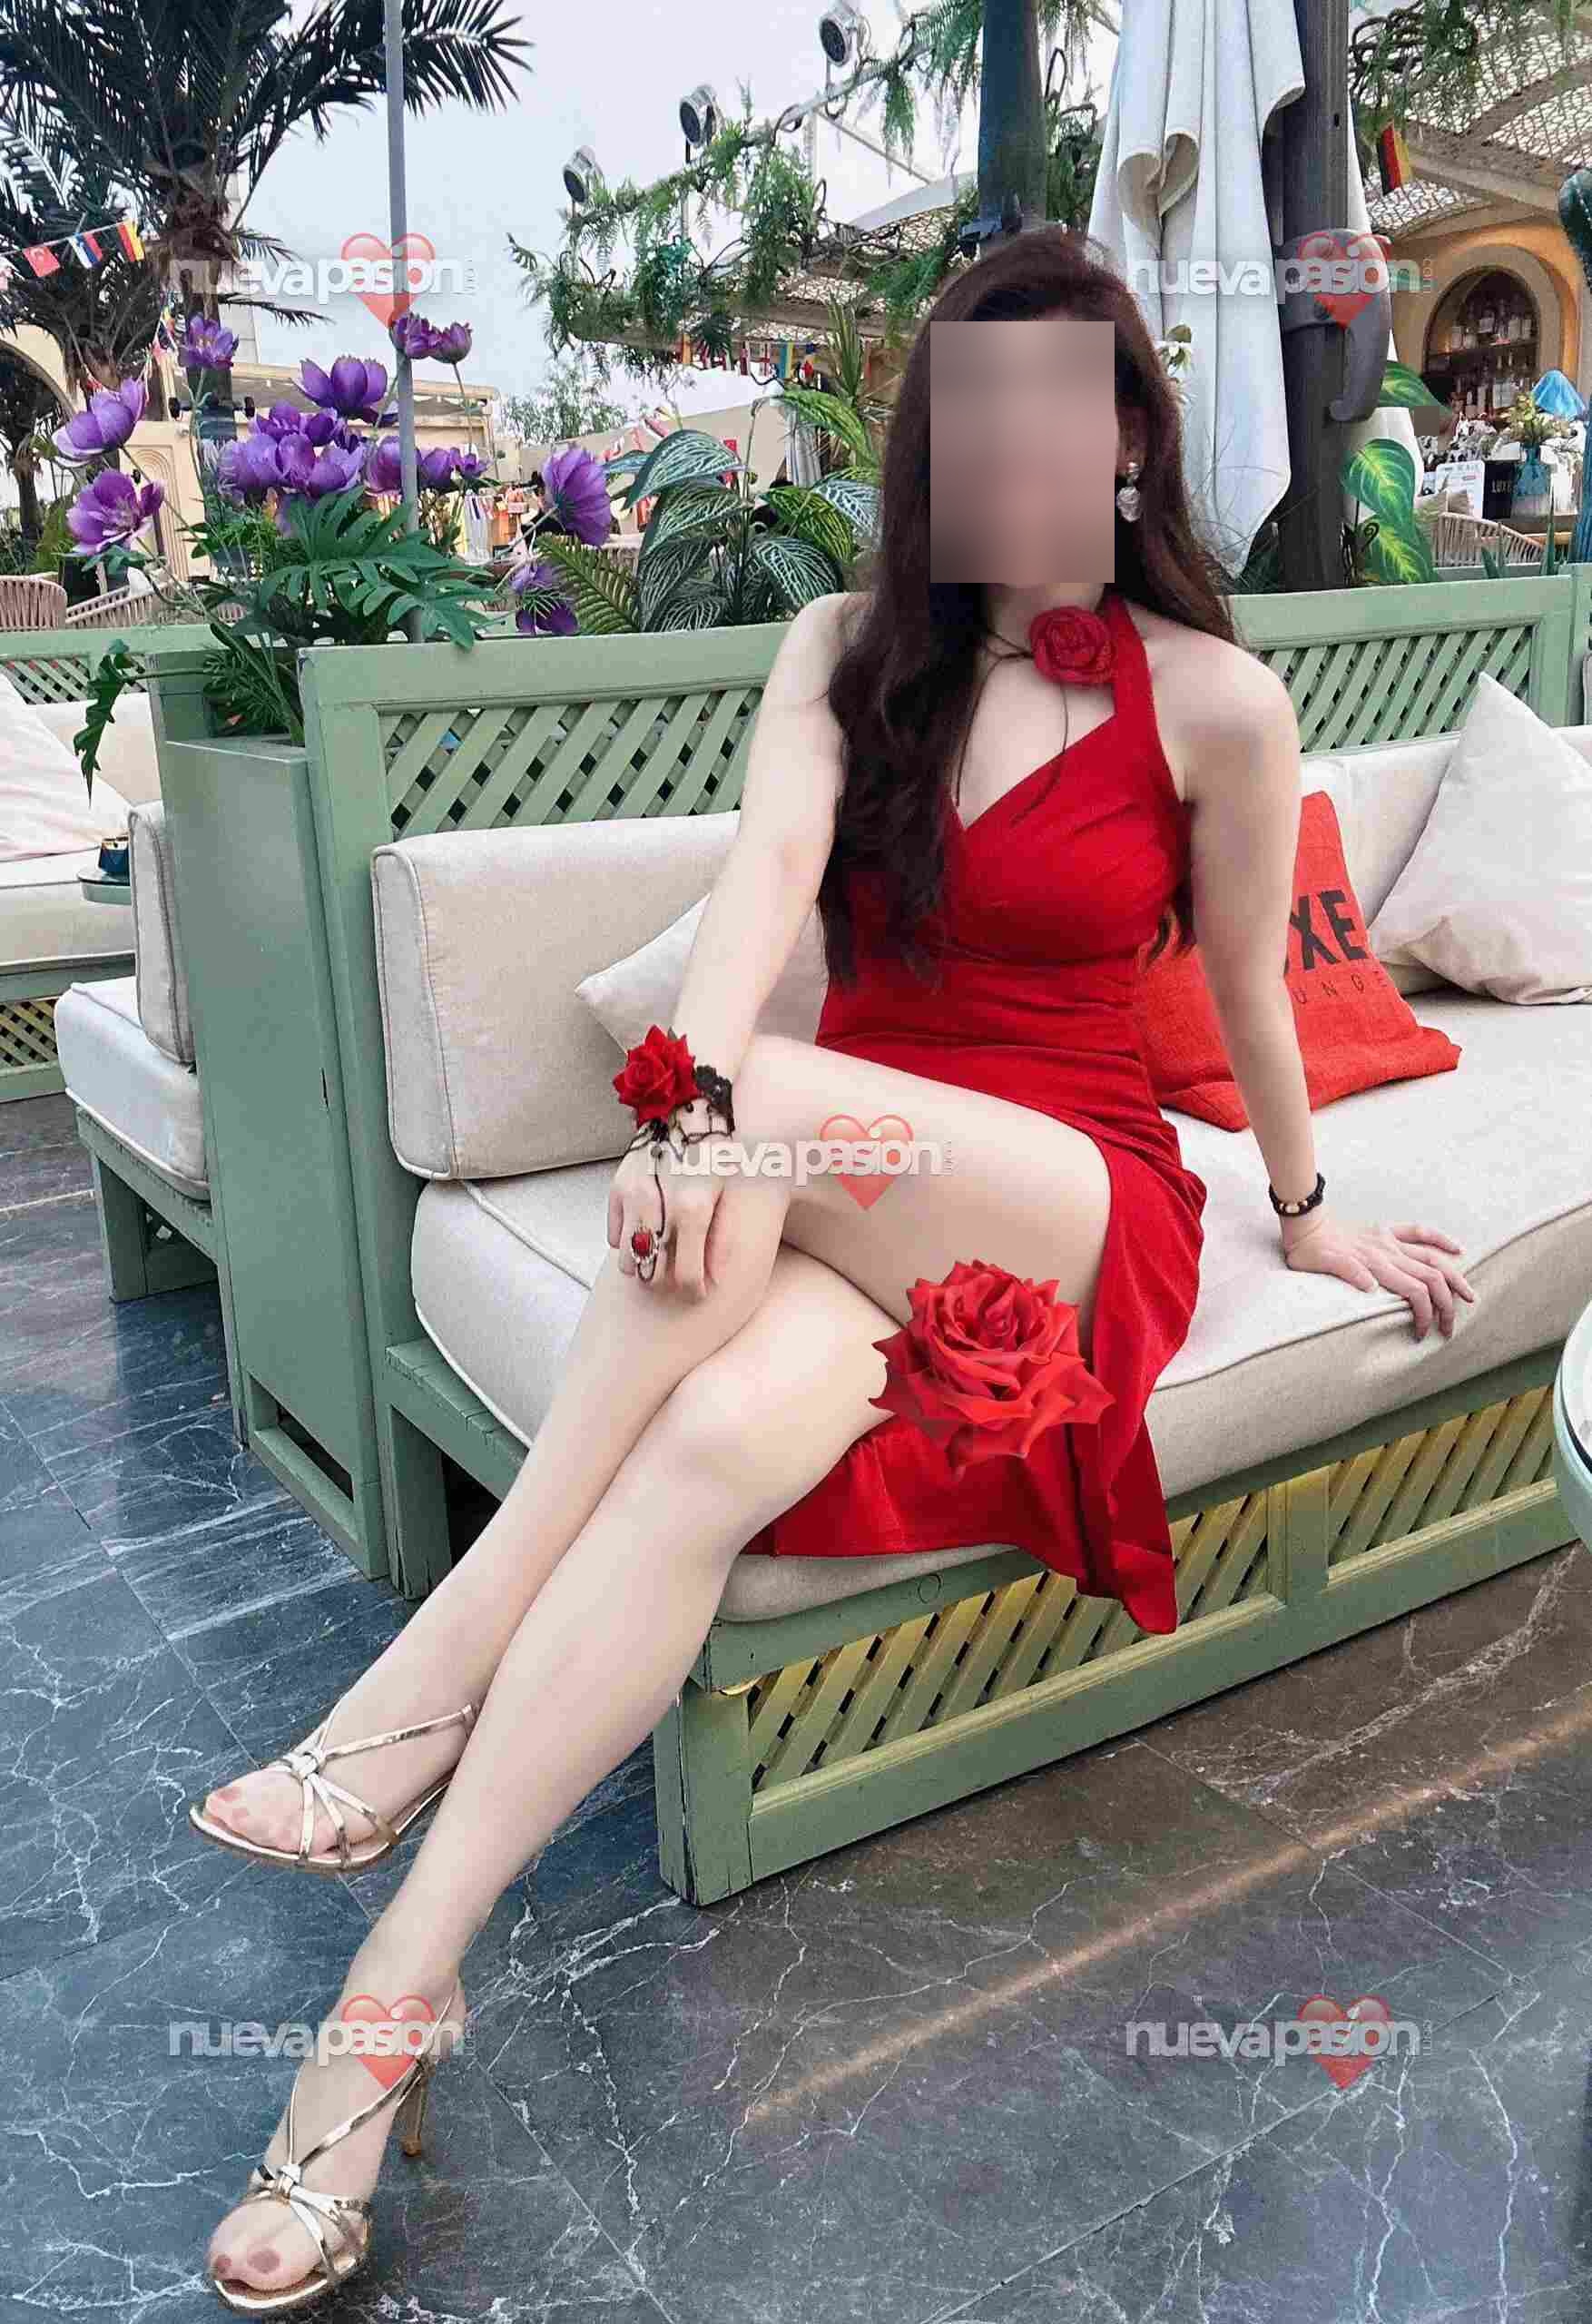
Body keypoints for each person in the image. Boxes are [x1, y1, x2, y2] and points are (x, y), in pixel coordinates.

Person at [195, 228, 1476, 2311]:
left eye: (1062, 411)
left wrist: (1308, 1199)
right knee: (708, 1433)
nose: (1017, 455)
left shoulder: (1217, 700)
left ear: (1129, 441)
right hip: (845, 1174)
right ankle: (381, 2015)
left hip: (1071, 1195)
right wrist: (702, 1110)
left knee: (758, 1098)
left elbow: (1247, 982)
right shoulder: (839, 649)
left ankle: (429, 1669)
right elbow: (761, 889)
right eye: (977, 417)